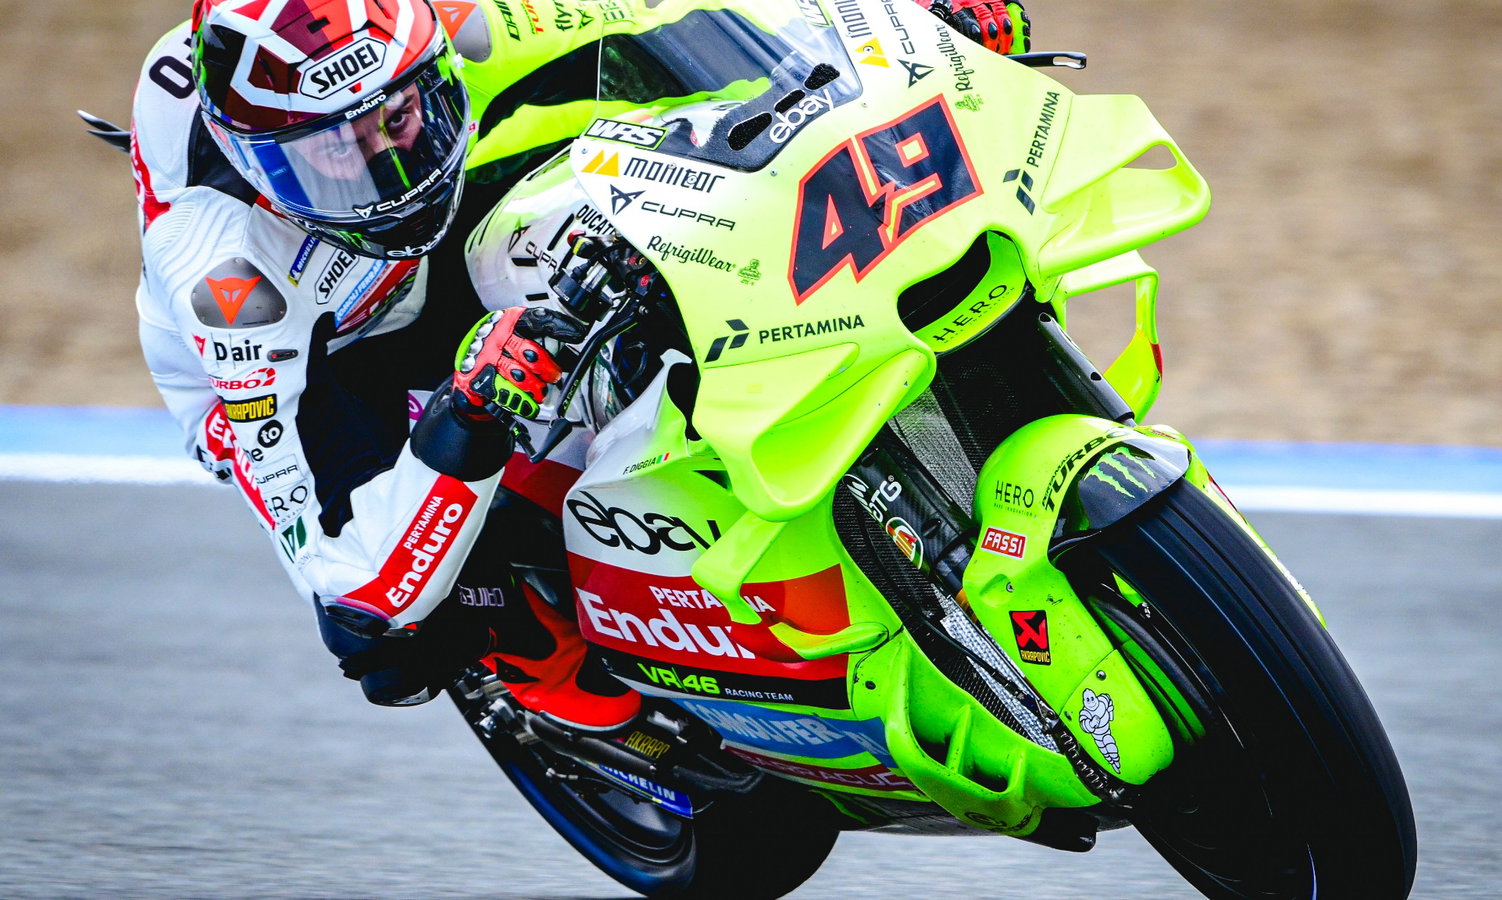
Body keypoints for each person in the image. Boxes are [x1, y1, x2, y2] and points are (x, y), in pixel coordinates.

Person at [128, 0, 1028, 729]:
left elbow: (685, 16)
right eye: (334, 154)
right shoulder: (223, 275)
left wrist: (915, 30)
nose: (389, 170)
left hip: (455, 242)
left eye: (399, 119)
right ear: (252, 160)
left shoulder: (459, 24)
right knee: (389, 638)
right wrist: (471, 410)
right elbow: (346, 575)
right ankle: (544, 667)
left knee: (664, 194)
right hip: (323, 355)